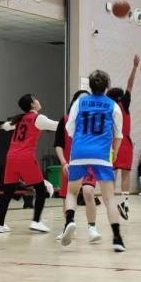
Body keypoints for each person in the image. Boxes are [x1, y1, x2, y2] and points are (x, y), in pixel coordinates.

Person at [61, 70, 126, 252]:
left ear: (89, 85)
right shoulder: (113, 106)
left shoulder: (79, 102)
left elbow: (69, 128)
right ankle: (117, 238)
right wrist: (114, 154)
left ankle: (69, 221)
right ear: (107, 86)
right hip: (102, 154)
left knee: (72, 192)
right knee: (109, 198)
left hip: (79, 151)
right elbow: (118, 135)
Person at [0, 94, 59, 234]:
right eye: (36, 99)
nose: (38, 100)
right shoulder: (38, 118)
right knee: (41, 190)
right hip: (25, 157)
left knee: (7, 192)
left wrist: (4, 125)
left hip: (11, 157)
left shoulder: (19, 119)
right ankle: (36, 222)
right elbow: (56, 125)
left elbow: (5, 126)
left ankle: (0, 225)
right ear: (32, 104)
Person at [54, 90, 101, 243]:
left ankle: (92, 228)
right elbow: (58, 145)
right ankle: (68, 226)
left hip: (90, 163)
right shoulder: (65, 120)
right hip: (70, 164)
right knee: (67, 196)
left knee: (88, 192)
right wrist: (63, 162)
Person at [106, 54, 140, 220]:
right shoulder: (123, 104)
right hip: (125, 142)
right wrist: (134, 67)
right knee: (125, 174)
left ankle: (111, 201)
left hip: (111, 143)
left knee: (111, 174)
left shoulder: (107, 107)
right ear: (121, 97)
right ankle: (125, 204)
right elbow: (130, 84)